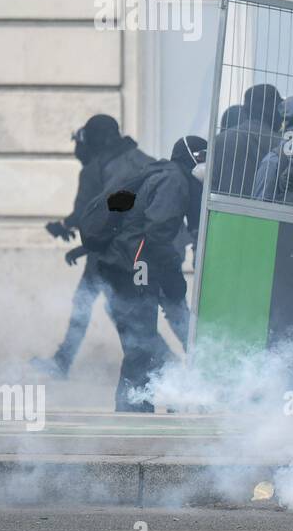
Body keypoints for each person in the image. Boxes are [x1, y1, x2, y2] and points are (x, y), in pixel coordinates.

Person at [32, 115, 153, 379]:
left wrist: (67, 229)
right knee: (138, 311)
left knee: (88, 304)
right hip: (145, 247)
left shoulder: (97, 169)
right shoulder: (142, 160)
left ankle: (63, 363)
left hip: (108, 251)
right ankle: (164, 365)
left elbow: (92, 213)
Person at [92, 149, 194, 412]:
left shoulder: (161, 174)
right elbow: (157, 232)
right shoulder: (175, 180)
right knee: (140, 343)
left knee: (141, 340)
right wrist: (173, 275)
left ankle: (138, 404)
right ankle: (133, 408)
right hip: (137, 265)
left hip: (123, 264)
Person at [148, 135, 208, 352]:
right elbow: (156, 229)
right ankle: (190, 358)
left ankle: (170, 364)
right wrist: (170, 265)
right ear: (188, 156)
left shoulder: (177, 177)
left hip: (147, 257)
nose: (204, 163)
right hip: (148, 258)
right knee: (151, 315)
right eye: (201, 157)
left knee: (144, 316)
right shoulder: (176, 180)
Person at [209, 84, 281, 196]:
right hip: (264, 212)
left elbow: (210, 185)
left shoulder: (221, 140)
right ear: (274, 110)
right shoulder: (281, 145)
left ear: (246, 110)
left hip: (221, 210)